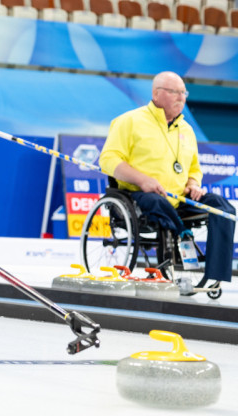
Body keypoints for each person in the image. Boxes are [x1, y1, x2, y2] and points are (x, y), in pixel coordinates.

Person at [99, 71, 235, 283]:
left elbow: (193, 168)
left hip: (179, 197)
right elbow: (108, 159)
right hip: (139, 195)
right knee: (157, 202)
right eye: (174, 92)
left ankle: (216, 274)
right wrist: (142, 180)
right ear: (156, 93)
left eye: (183, 92)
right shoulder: (129, 121)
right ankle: (183, 236)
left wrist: (193, 184)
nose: (181, 97)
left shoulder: (187, 130)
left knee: (223, 208)